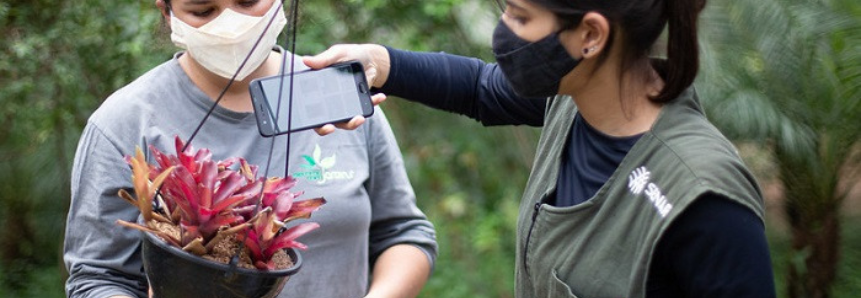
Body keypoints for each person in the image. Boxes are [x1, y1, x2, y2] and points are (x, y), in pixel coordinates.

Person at [304, 0, 777, 297]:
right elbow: (482, 89)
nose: (503, 31)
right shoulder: (576, 102)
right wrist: (380, 63)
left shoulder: (703, 200)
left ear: (591, 35)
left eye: (520, 16)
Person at [63, 1, 437, 298]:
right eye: (203, 10)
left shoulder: (335, 98)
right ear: (167, 11)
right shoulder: (126, 121)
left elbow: (405, 233)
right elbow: (97, 277)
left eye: (248, 1)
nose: (231, 23)